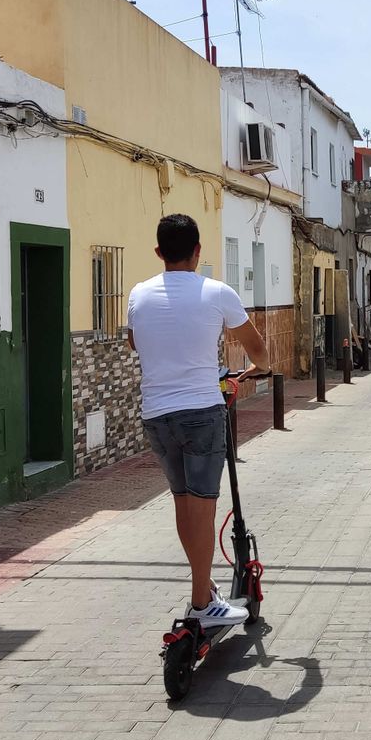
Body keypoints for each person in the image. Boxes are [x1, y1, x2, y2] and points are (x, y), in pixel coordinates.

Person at [128, 214, 271, 630]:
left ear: (159, 253)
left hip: (156, 415)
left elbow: (135, 340)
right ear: (198, 252)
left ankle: (204, 587)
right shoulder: (216, 292)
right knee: (203, 507)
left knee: (182, 502)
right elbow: (258, 350)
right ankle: (201, 603)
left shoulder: (138, 294)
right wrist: (254, 370)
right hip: (201, 412)